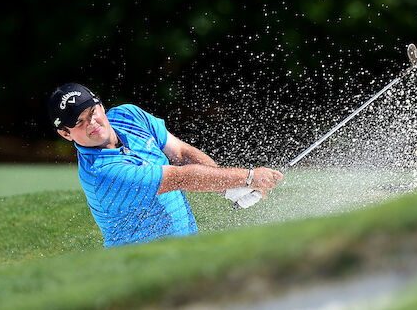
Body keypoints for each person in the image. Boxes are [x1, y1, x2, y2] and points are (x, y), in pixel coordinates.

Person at [48, 83, 282, 248]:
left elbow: (180, 153)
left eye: (92, 111)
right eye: (79, 122)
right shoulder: (101, 174)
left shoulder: (128, 116)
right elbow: (181, 178)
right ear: (65, 134)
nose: (92, 123)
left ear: (100, 104)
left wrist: (226, 187)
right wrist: (249, 177)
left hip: (186, 254)